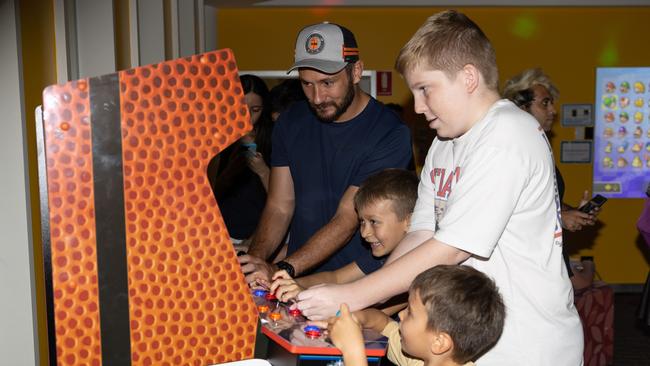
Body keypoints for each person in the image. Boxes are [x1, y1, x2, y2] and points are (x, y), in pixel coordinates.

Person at [296, 10, 583, 365]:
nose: (417, 106)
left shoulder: (507, 134)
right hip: (467, 341)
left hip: (524, 341)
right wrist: (354, 301)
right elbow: (421, 236)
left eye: (425, 90)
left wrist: (353, 295)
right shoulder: (444, 143)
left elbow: (452, 247)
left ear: (467, 78)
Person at [238, 22, 413, 286]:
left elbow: (347, 218)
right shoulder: (290, 123)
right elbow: (279, 205)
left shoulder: (389, 132)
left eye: (327, 82)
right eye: (307, 84)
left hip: (357, 285)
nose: (317, 97)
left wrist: (283, 268)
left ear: (356, 71)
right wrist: (256, 262)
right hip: (296, 281)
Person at [270, 169, 418, 305]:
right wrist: (289, 284)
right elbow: (336, 278)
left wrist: (305, 295)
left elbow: (376, 309)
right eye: (362, 222)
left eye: (374, 222)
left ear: (409, 221)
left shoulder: (418, 267)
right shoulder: (379, 257)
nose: (364, 233)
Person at [325, 265, 505, 366]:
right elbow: (382, 323)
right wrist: (355, 319)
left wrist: (353, 350)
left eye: (410, 312)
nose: (401, 314)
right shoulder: (425, 359)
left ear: (439, 342)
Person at [209, 74, 274, 246]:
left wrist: (262, 170)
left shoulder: (275, 140)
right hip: (217, 235)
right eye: (241, 108)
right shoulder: (218, 138)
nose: (246, 116)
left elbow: (283, 202)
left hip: (253, 240)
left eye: (255, 110)